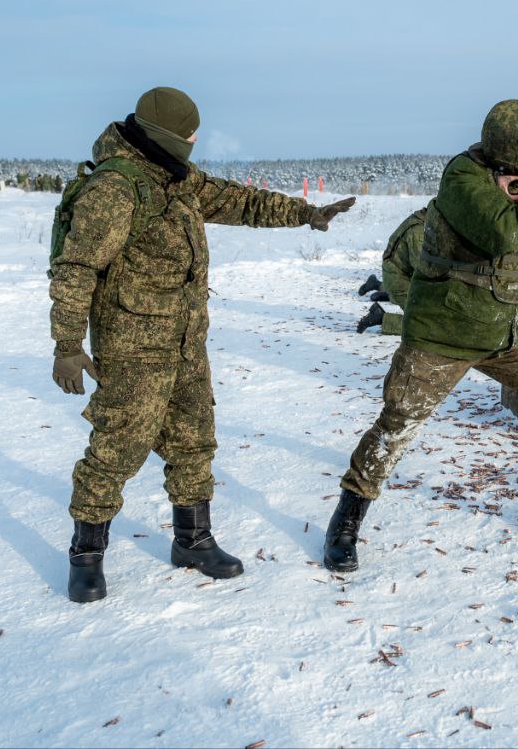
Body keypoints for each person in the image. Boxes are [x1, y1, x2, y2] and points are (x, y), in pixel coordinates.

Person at [50, 86, 355, 603]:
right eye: (190, 134)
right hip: (133, 348)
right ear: (166, 136)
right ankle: (86, 557)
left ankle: (193, 540)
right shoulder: (117, 188)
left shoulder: (175, 176)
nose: (195, 141)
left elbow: (241, 201)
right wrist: (66, 343)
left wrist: (306, 214)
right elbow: (76, 268)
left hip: (187, 341)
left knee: (194, 438)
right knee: (116, 448)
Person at [321, 99, 518, 573]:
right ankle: (346, 523)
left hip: (509, 331)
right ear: (508, 157)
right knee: (399, 424)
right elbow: (501, 231)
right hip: (444, 332)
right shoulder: (463, 179)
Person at [356, 204, 429, 334]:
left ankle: (381, 287)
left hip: (397, 277)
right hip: (399, 283)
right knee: (428, 323)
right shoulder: (419, 231)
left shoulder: (421, 220)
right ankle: (382, 318)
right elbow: (422, 271)